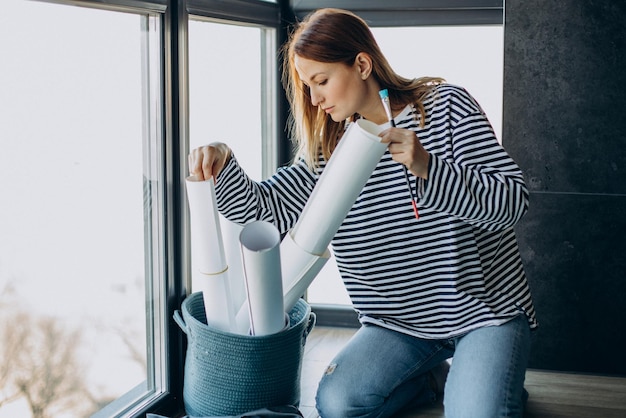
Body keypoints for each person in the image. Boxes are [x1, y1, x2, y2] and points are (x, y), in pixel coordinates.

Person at [189, 8, 537, 418]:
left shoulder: (447, 107)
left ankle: (488, 380)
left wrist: (428, 167)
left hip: (484, 313)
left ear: (362, 63)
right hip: (397, 324)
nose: (315, 100)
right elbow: (261, 211)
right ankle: (432, 378)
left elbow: (513, 201)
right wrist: (224, 162)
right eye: (307, 86)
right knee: (337, 405)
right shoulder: (329, 153)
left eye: (322, 81)